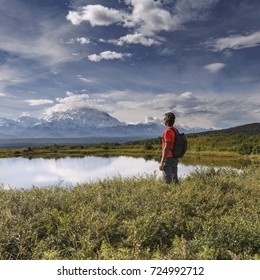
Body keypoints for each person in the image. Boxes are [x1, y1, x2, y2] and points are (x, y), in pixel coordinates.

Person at [159, 112, 179, 184]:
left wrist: (162, 162)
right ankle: (177, 193)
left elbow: (166, 147)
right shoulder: (175, 130)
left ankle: (169, 193)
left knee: (167, 181)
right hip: (175, 157)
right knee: (175, 180)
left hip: (168, 158)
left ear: (166, 121)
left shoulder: (167, 132)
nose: (164, 120)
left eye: (164, 119)